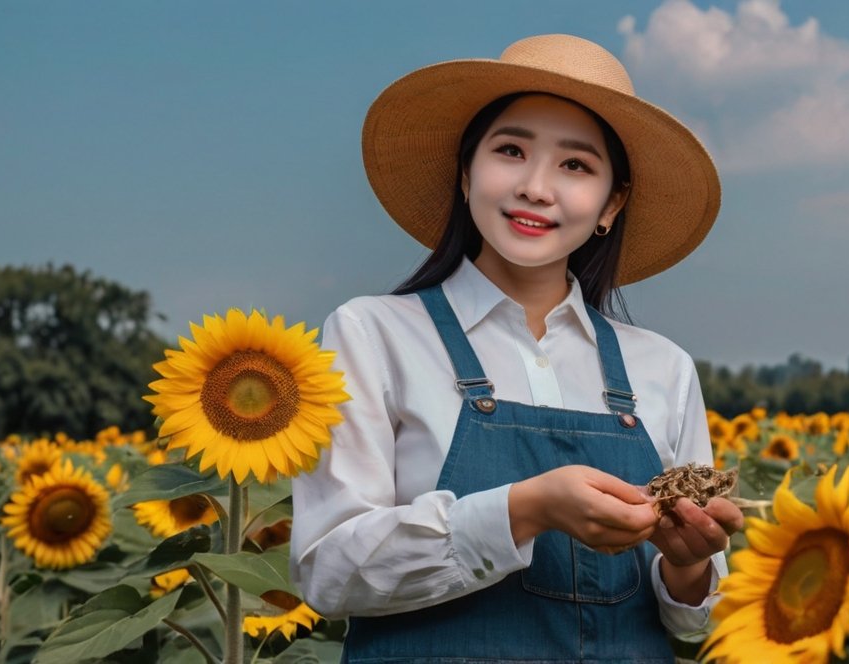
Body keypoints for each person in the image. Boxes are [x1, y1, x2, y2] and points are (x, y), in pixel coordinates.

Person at [289, 33, 743, 662]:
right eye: (510, 150)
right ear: (465, 171)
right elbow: (328, 571)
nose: (536, 186)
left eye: (576, 165)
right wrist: (524, 509)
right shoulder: (373, 335)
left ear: (612, 203)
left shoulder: (662, 368)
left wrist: (689, 566)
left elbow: (694, 621)